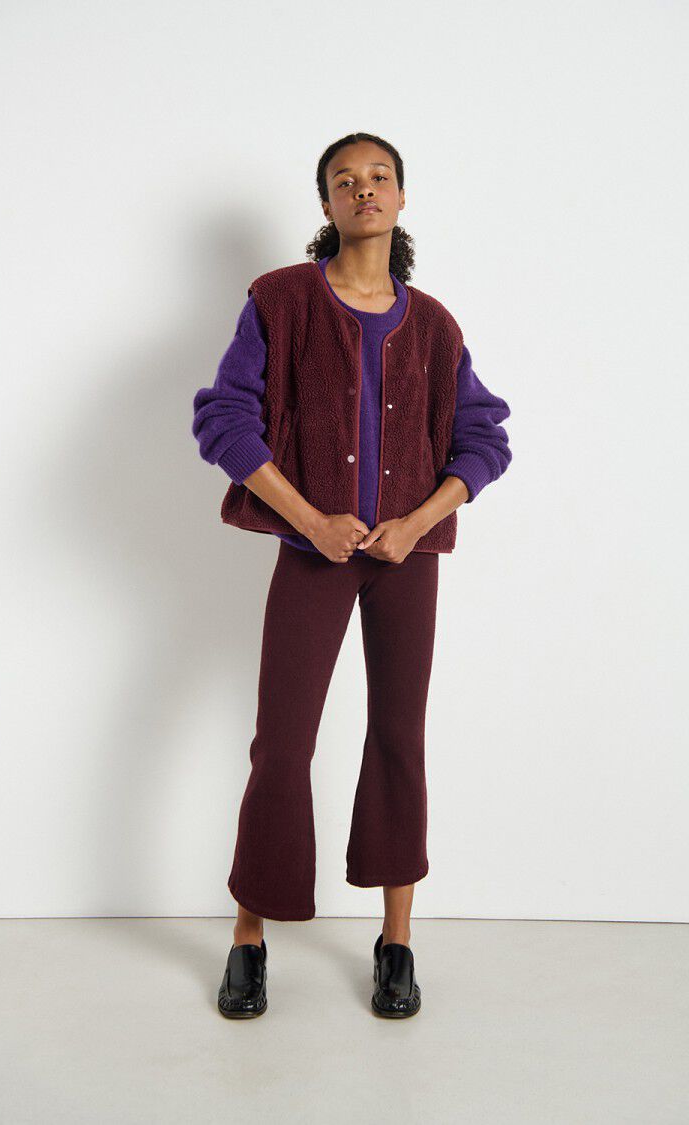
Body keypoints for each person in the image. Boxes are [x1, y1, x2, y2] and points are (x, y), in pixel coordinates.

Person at [192, 132, 512, 1019]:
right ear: (327, 203)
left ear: (401, 198)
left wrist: (416, 522)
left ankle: (397, 939)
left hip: (407, 559)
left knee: (399, 736)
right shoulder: (279, 300)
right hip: (312, 555)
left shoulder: (435, 325)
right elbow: (224, 420)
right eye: (346, 179)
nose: (363, 189)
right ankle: (249, 937)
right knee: (282, 742)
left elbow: (484, 438)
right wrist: (310, 521)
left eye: (379, 177)